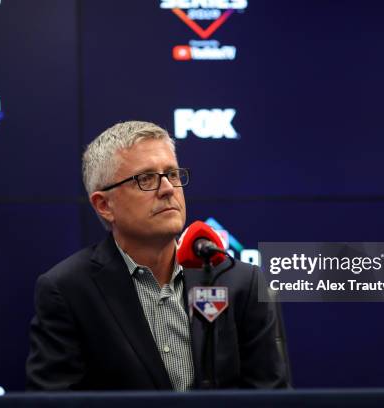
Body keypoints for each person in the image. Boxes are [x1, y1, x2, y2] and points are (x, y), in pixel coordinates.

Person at [25, 121, 289, 390]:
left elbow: (272, 397)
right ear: (104, 205)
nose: (168, 189)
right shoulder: (68, 291)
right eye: (146, 179)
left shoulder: (240, 282)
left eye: (172, 174)